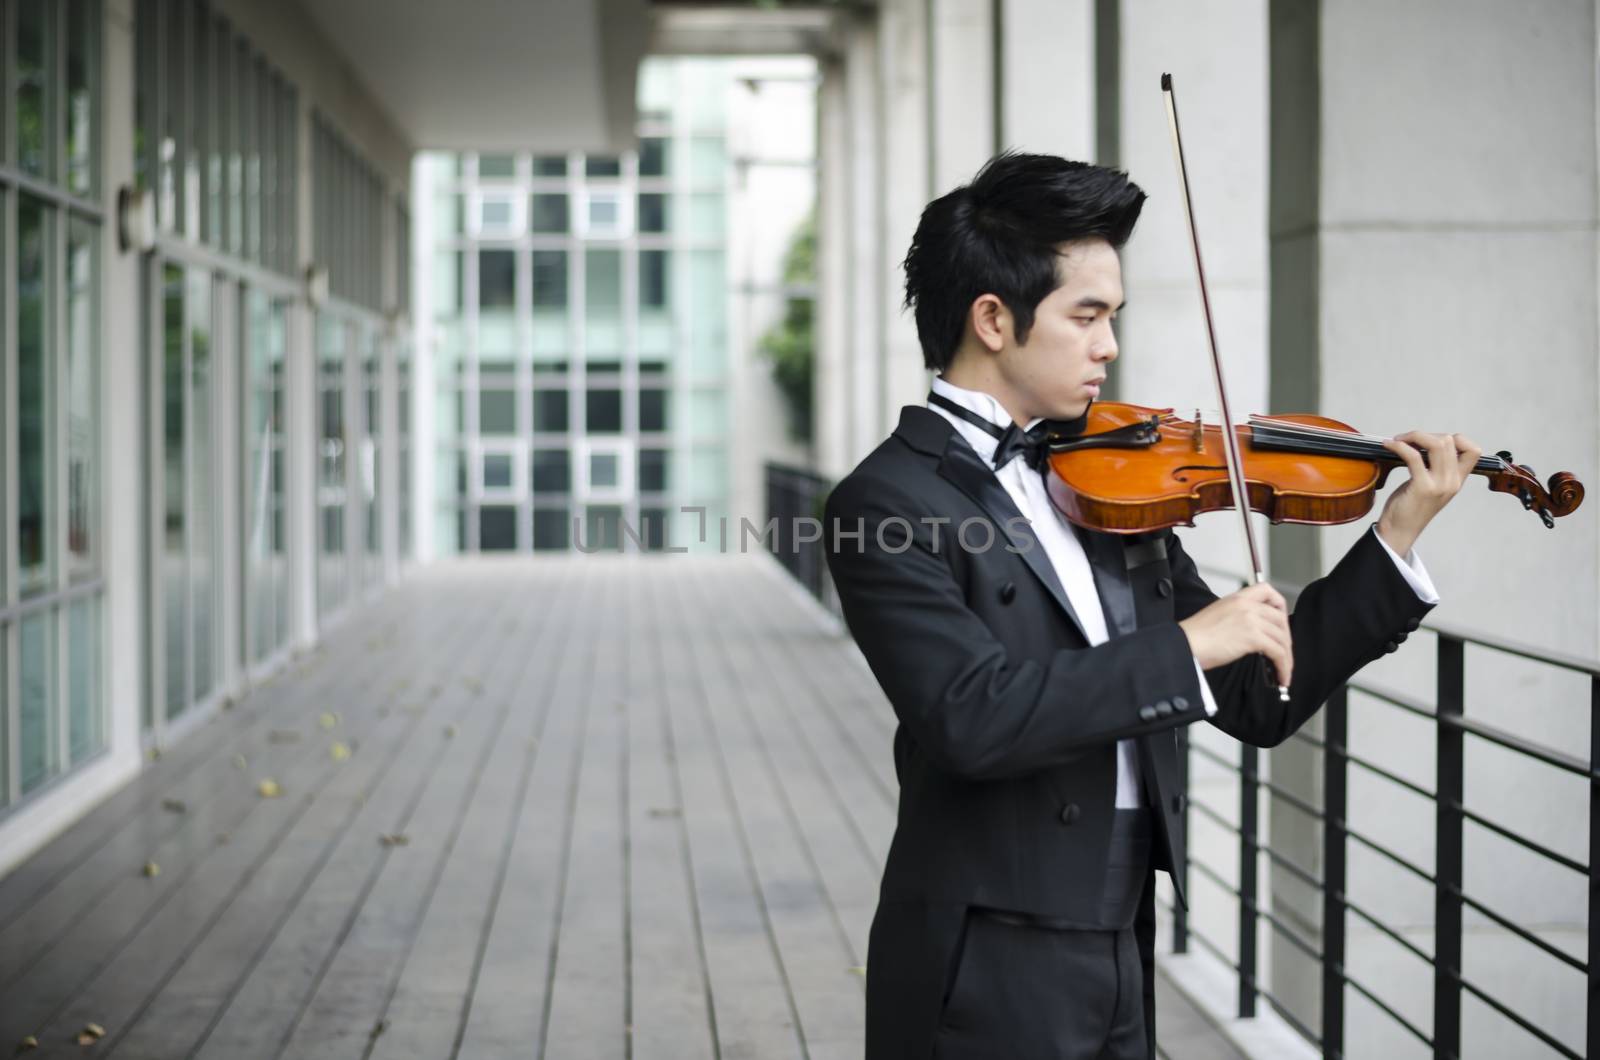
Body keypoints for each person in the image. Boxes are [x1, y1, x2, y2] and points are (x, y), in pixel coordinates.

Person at [821, 152, 1480, 1060]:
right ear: (993, 319)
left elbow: (1258, 697)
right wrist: (1189, 645)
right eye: (1086, 316)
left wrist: (1393, 541)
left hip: (1127, 939)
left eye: (1113, 318)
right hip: (985, 962)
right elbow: (971, 718)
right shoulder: (885, 503)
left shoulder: (1105, 481)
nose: (1109, 347)